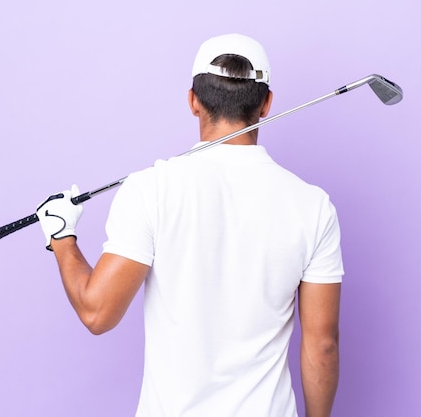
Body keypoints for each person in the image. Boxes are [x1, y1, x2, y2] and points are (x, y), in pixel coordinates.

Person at [36, 33, 343, 417]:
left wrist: (62, 236)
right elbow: (322, 346)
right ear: (266, 103)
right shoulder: (313, 206)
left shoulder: (150, 189)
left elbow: (96, 314)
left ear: (193, 101)